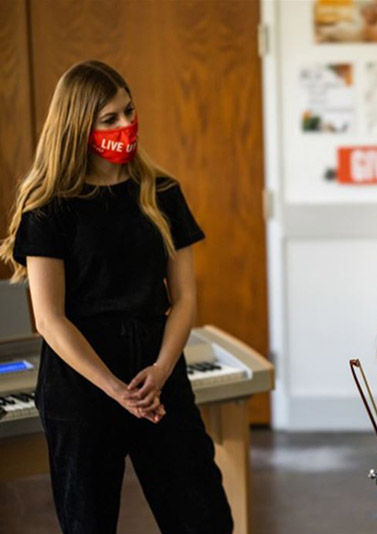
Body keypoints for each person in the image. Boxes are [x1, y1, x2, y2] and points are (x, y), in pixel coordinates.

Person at [0, 60, 233, 534]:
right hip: (82, 384)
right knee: (89, 524)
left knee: (204, 517)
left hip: (158, 373)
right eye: (109, 119)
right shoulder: (48, 208)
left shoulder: (162, 192)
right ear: (78, 126)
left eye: (129, 111)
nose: (127, 126)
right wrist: (116, 391)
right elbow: (49, 319)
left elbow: (184, 297)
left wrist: (162, 370)